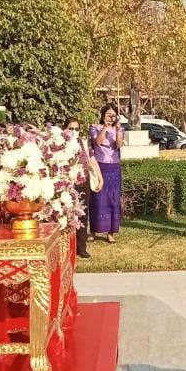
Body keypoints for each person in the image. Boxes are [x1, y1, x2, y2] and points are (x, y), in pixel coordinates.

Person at [88, 104, 124, 242]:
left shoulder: (118, 128)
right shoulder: (94, 127)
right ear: (103, 115)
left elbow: (119, 145)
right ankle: (93, 231)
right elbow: (98, 142)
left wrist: (119, 131)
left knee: (113, 199)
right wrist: (105, 127)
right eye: (108, 114)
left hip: (114, 166)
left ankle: (111, 232)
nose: (111, 117)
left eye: (113, 115)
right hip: (99, 165)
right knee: (97, 197)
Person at [65, 116, 99, 259]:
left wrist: (100, 178)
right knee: (68, 215)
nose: (74, 131)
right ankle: (67, 247)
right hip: (67, 183)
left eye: (76, 129)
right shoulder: (60, 144)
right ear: (65, 129)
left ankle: (81, 247)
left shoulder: (83, 143)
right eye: (70, 128)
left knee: (83, 215)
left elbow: (92, 161)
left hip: (83, 182)